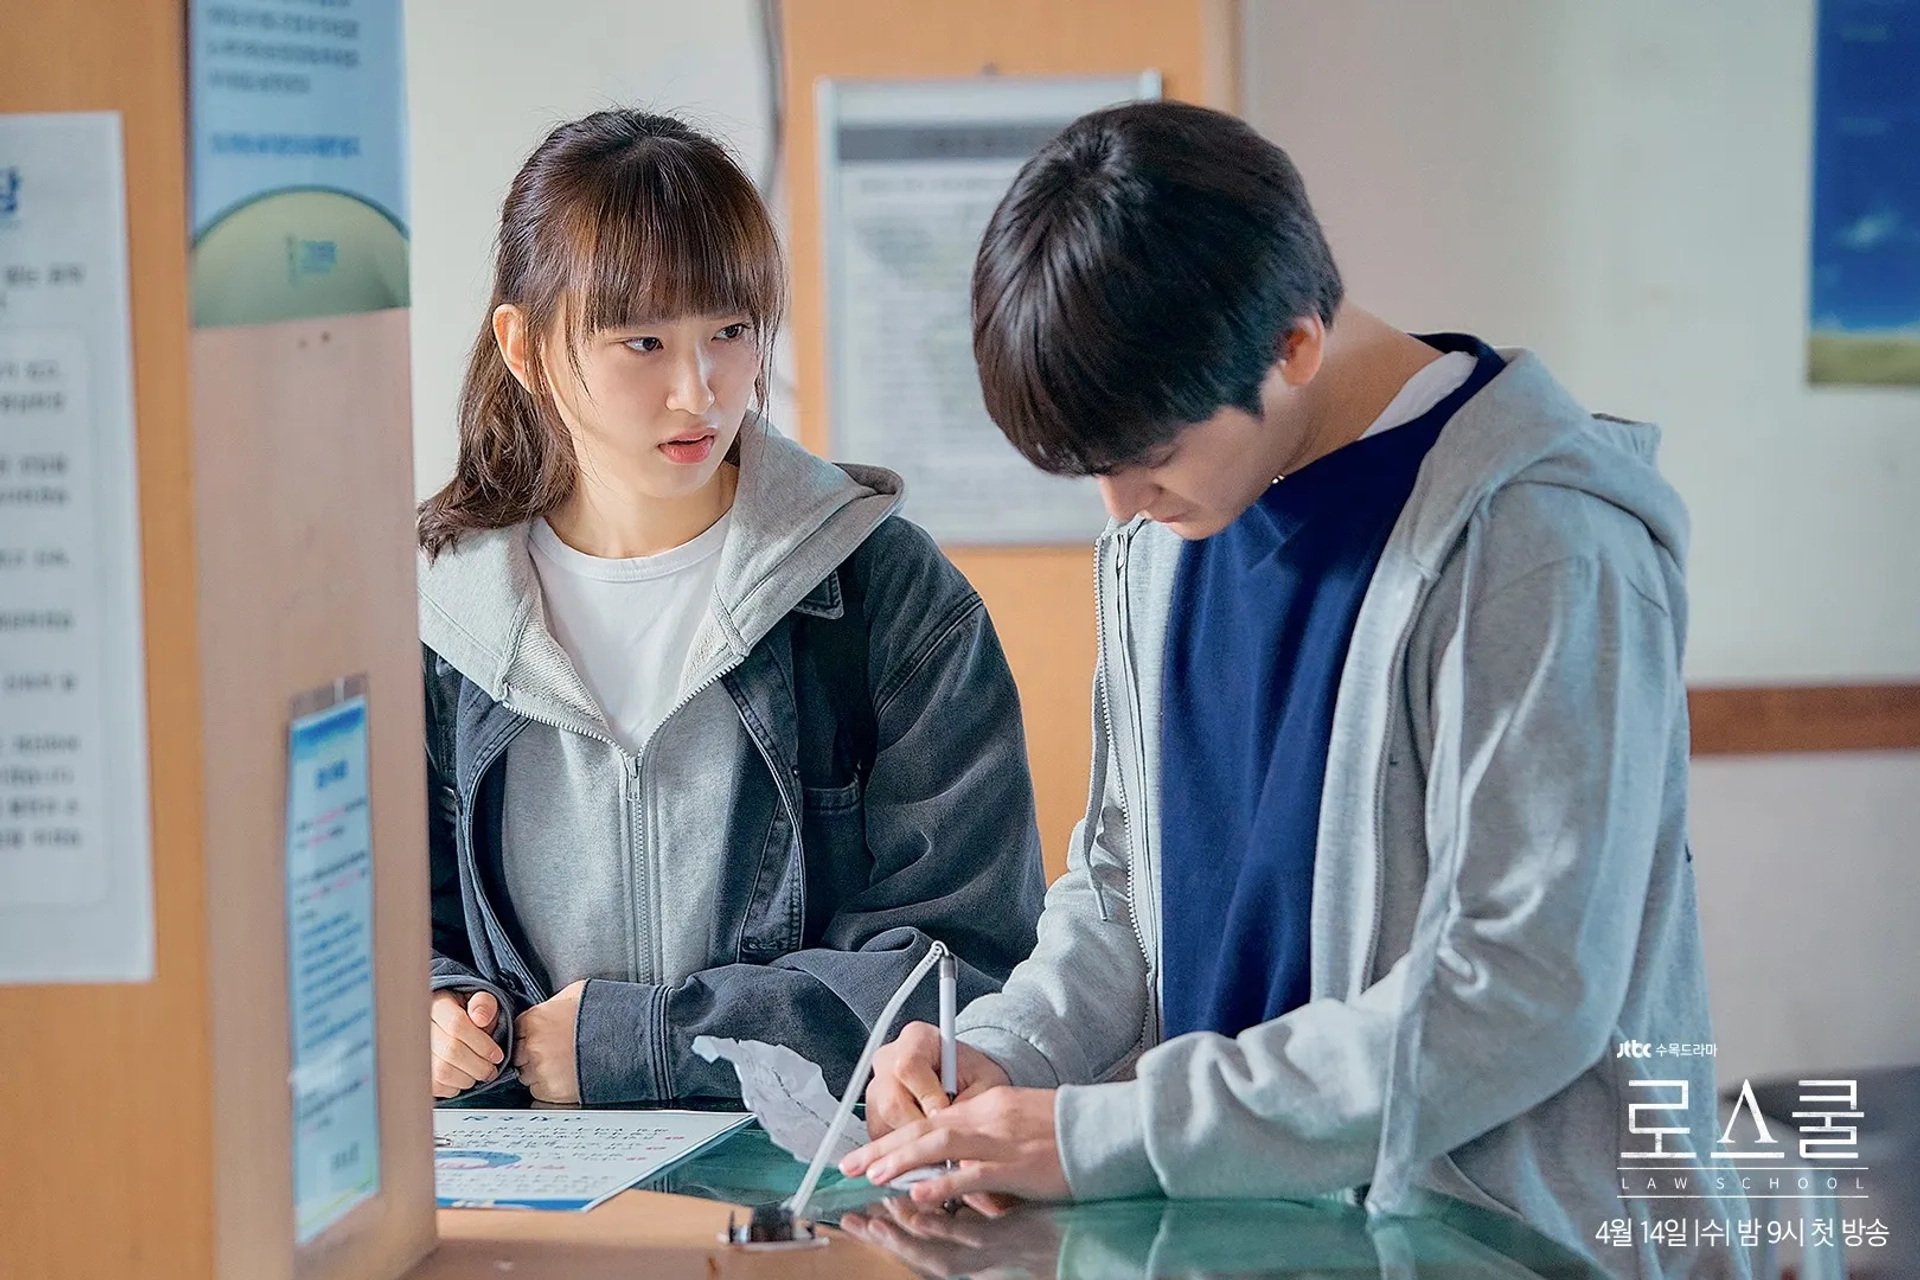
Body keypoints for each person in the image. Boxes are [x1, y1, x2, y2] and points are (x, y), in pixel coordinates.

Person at [843, 101, 1747, 1279]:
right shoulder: (1166, 535)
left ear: (1294, 347)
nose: (1118, 509)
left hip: (1513, 1246)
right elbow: (1122, 882)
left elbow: (1516, 994)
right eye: (1095, 471)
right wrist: (1010, 1058)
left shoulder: (1544, 545)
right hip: (1240, 1237)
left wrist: (1099, 1132)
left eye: (1149, 458)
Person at [417, 109, 1044, 1107]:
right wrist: (437, 1009)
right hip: (524, 1198)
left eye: (730, 332)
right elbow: (374, 929)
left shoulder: (887, 596)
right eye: (643, 342)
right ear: (525, 347)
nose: (699, 390)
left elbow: (965, 962)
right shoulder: (437, 622)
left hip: (805, 1191)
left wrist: (649, 1042)